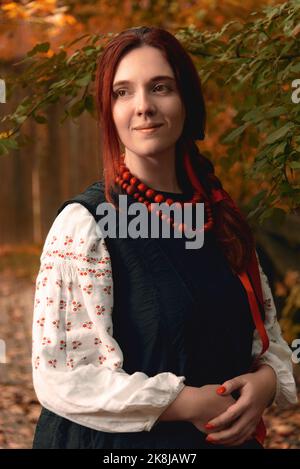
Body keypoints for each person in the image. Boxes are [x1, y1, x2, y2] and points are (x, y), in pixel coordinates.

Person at [31, 26, 297, 449]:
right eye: (122, 92)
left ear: (186, 101)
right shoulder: (85, 225)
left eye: (160, 87)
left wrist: (266, 381)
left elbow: (268, 339)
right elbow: (62, 375)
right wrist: (184, 402)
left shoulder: (220, 217)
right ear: (108, 110)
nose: (144, 107)